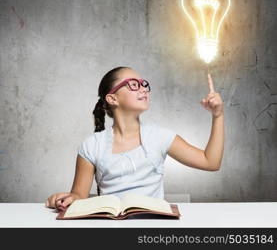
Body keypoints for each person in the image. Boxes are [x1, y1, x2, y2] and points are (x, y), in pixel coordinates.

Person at [45, 66, 224, 211]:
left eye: (143, 84)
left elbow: (211, 162)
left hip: (153, 229)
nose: (143, 88)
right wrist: (65, 199)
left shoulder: (160, 137)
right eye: (133, 84)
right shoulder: (92, 145)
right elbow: (79, 196)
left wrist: (217, 116)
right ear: (112, 98)